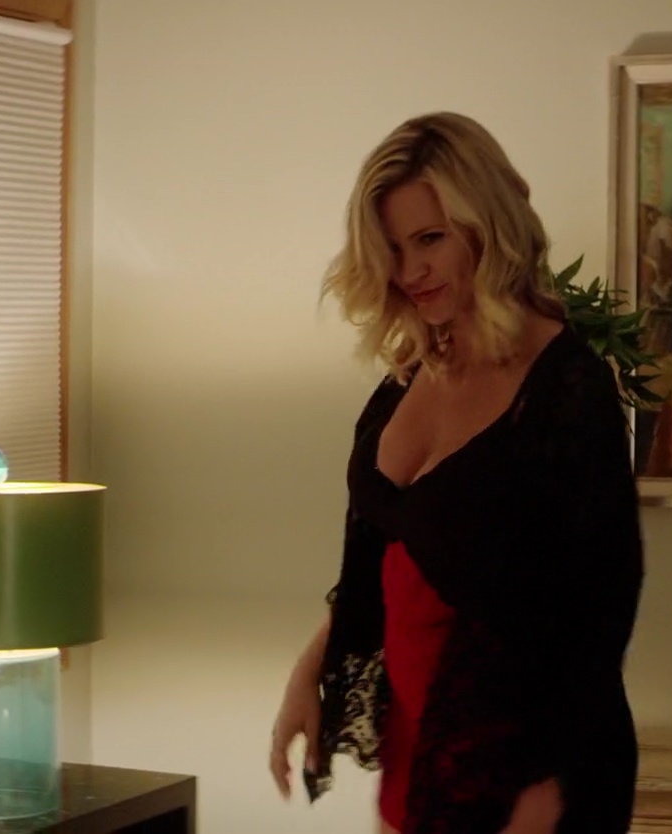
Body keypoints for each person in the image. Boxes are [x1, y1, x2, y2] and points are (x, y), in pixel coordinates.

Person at [267, 111, 646, 834]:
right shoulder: (409, 374)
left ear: (487, 225)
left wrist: (545, 790)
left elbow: (599, 615)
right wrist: (308, 674)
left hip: (527, 778)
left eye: (430, 239)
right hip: (419, 749)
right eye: (392, 247)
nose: (409, 272)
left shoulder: (567, 389)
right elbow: (386, 561)